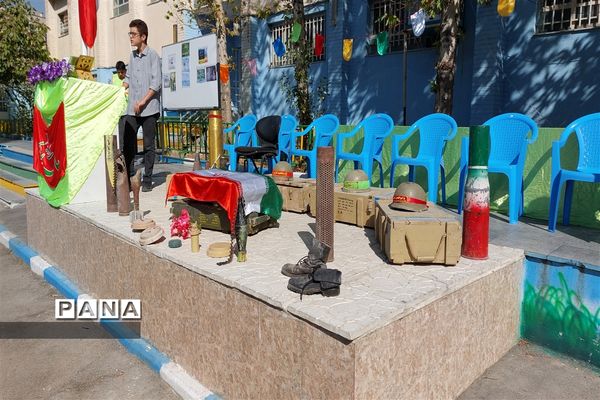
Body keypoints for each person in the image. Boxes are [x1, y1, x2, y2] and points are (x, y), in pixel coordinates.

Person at [122, 19, 161, 192]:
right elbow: (128, 78)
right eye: (129, 34)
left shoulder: (153, 55)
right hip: (132, 108)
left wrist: (143, 101)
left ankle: (148, 179)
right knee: (128, 144)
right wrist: (120, 89)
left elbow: (156, 83)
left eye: (133, 34)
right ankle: (130, 178)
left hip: (149, 108)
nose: (130, 37)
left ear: (143, 37)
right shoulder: (132, 56)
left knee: (148, 145)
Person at [112, 61, 128, 152]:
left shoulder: (128, 78)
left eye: (122, 72)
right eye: (118, 72)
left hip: (128, 110)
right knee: (120, 133)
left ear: (125, 71)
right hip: (118, 111)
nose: (120, 74)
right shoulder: (114, 78)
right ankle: (121, 151)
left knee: (128, 133)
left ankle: (129, 152)